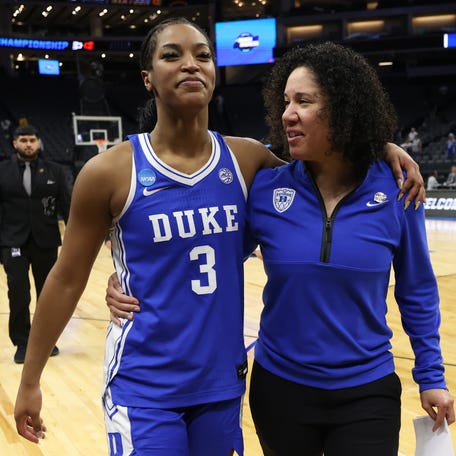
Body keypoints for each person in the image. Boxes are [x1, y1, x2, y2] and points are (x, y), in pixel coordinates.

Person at [14, 18, 423, 455]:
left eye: (203, 55)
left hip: (221, 386)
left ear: (214, 72)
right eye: (172, 54)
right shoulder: (110, 171)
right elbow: (66, 278)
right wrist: (31, 380)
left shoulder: (248, 161)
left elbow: (328, 159)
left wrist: (382, 148)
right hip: (146, 383)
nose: (191, 64)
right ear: (147, 78)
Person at [106, 41, 452, 456]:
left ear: (344, 110)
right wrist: (129, 277)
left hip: (367, 389)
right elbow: (207, 252)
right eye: (285, 101)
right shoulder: (269, 188)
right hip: (281, 388)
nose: (287, 113)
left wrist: (431, 375)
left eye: (303, 101)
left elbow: (416, 289)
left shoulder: (396, 188)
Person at [0, 124, 71, 364]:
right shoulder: (2, 171)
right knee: (18, 293)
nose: (28, 144)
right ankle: (23, 342)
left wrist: (75, 242)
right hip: (13, 242)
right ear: (15, 144)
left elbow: (68, 207)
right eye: (23, 140)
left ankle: (46, 341)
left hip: (46, 241)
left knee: (48, 295)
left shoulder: (56, 171)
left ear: (39, 142)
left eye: (32, 140)